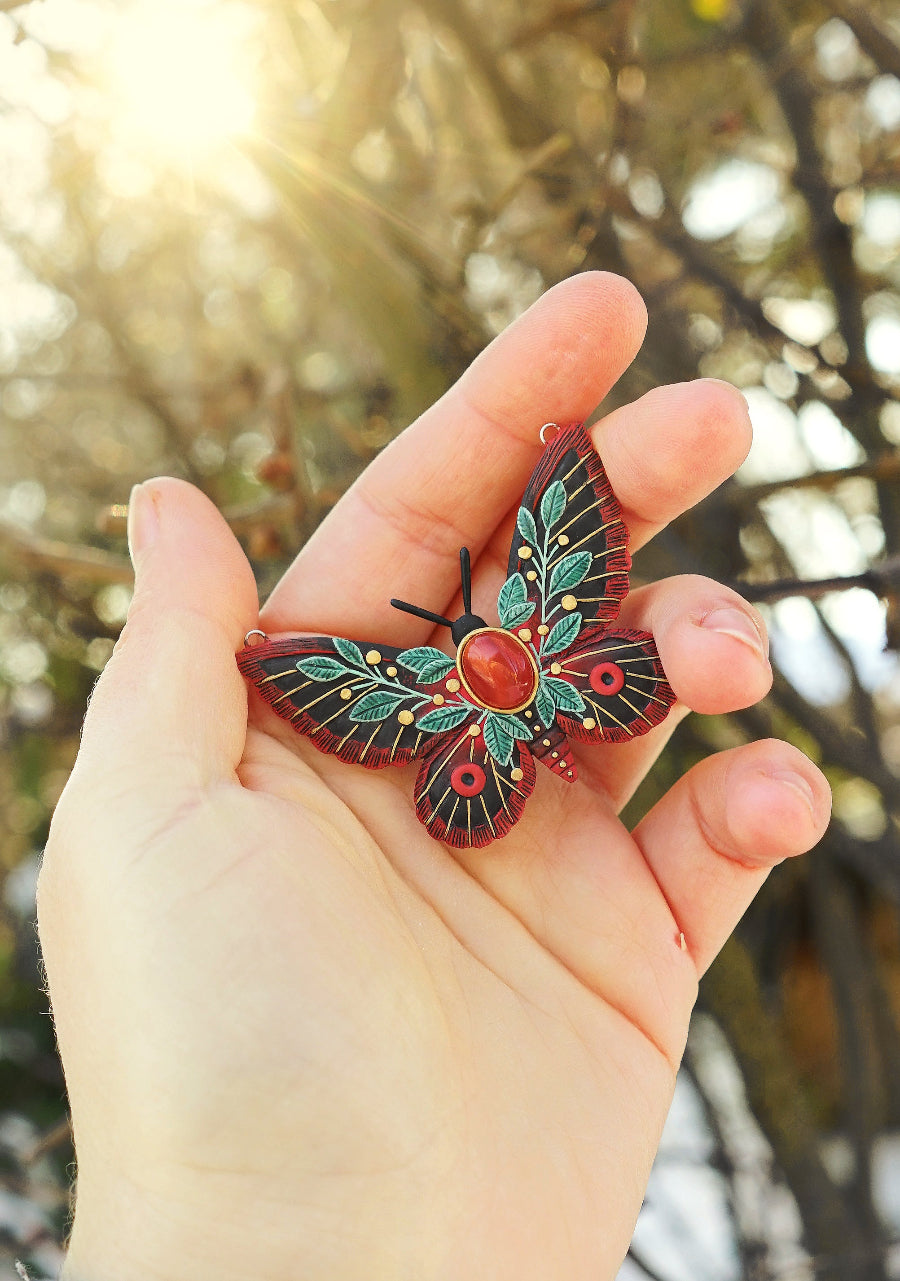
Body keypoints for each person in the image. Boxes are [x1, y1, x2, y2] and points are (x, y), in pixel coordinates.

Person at [37, 272, 830, 1281]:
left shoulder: (416, 690)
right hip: (562, 692)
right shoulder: (514, 627)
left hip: (497, 737)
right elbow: (292, 668)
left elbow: (316, 668)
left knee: (681, 648)